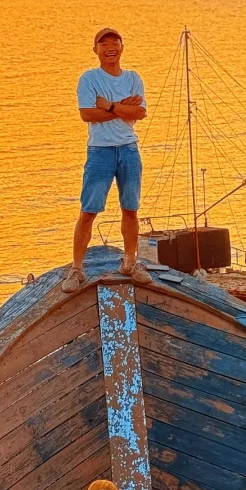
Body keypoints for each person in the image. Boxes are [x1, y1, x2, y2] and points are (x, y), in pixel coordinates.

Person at [63, 29, 152, 295]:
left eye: (115, 42)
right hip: (100, 151)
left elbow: (140, 112)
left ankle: (130, 262)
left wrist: (110, 105)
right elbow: (87, 114)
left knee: (130, 208)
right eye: (104, 43)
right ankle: (77, 268)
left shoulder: (133, 78)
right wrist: (121, 107)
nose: (110, 47)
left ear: (122, 47)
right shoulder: (89, 79)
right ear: (96, 50)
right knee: (88, 211)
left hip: (128, 149)